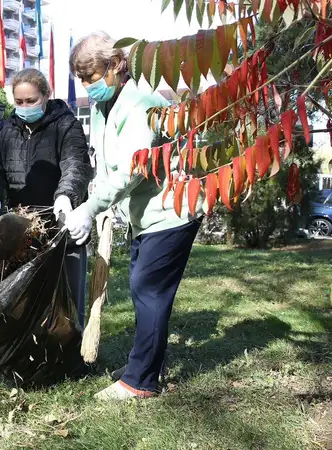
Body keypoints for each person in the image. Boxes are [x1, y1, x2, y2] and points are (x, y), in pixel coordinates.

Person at [63, 32, 204, 401]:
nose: (87, 87)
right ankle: (143, 366)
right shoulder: (102, 106)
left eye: (91, 78)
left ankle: (140, 382)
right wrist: (99, 204)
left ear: (115, 66)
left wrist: (90, 207)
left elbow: (132, 169)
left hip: (173, 210)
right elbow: (106, 163)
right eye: (82, 80)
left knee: (149, 290)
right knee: (145, 289)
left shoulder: (140, 103)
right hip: (148, 213)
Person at [0, 68, 92, 328]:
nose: (25, 106)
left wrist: (66, 196)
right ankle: (35, 351)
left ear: (46, 96)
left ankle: (75, 346)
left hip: (63, 224)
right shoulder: (6, 129)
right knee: (28, 297)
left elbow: (75, 164)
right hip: (23, 228)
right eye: (19, 102)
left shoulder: (66, 125)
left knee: (69, 292)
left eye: (31, 101)